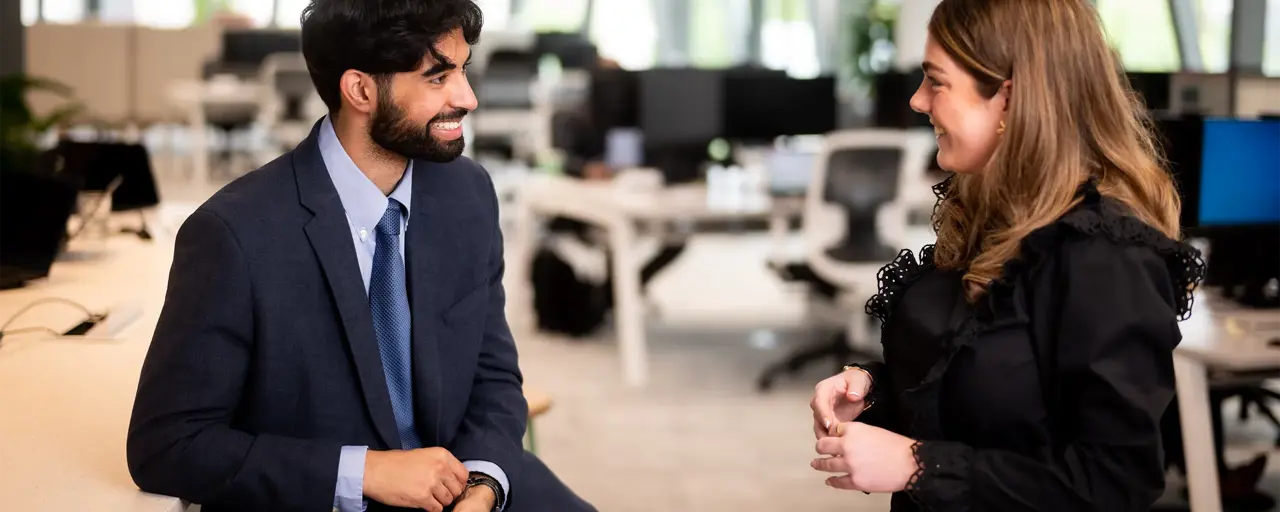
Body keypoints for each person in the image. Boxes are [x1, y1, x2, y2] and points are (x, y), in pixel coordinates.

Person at [125, 2, 596, 512]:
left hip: (468, 484)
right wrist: (365, 471)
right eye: (438, 78)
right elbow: (167, 445)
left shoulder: (468, 194)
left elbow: (494, 375)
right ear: (361, 90)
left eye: (463, 70)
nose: (468, 97)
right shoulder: (232, 235)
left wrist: (483, 485)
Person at [807, 0, 1207, 510]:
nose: (917, 101)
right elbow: (985, 385)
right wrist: (871, 387)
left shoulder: (1105, 256)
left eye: (936, 82)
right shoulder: (986, 209)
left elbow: (1115, 480)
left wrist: (917, 465)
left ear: (1009, 98)